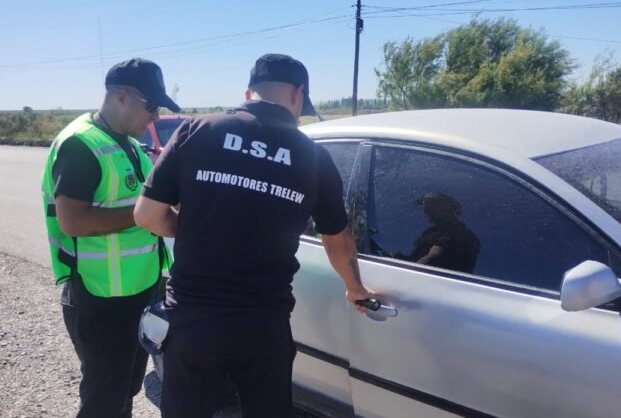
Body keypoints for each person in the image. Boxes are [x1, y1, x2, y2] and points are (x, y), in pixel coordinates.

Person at [134, 53, 372, 418]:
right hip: (264, 325)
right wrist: (356, 288)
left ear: (249, 93)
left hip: (195, 318)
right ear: (298, 95)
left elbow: (147, 215)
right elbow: (337, 239)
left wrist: (202, 227)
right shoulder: (313, 157)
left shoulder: (199, 130)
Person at [40, 58, 179, 418]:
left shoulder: (128, 143)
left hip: (137, 290)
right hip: (100, 298)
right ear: (121, 97)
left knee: (125, 389)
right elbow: (72, 221)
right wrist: (145, 215)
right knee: (104, 398)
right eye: (152, 106)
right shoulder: (81, 145)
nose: (156, 117)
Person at [392, 192, 480, 273]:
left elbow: (429, 261)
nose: (426, 211)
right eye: (426, 207)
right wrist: (399, 258)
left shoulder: (459, 234)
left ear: (447, 209)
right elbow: (415, 261)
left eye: (432, 207)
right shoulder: (432, 232)